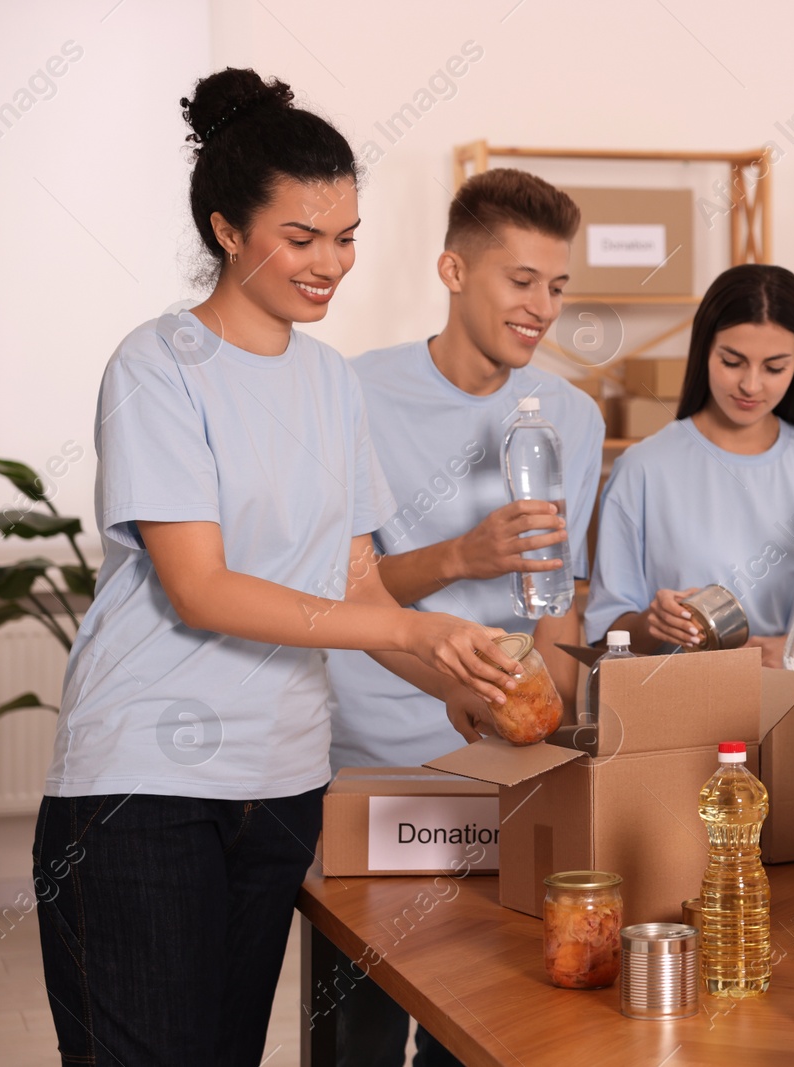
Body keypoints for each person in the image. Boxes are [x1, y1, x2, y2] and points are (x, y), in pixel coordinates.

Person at [34, 69, 519, 1067]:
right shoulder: (159, 363)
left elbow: (354, 586)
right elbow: (202, 587)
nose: (329, 264)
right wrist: (413, 631)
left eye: (345, 237)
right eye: (301, 239)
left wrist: (454, 681)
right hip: (145, 785)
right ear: (226, 229)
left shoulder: (330, 384)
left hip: (282, 779)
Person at [323, 168, 603, 1066]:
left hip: (504, 769)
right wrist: (462, 555)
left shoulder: (574, 415)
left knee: (484, 1032)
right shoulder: (352, 392)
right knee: (357, 1035)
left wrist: (557, 732)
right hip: (372, 763)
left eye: (556, 287)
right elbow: (342, 594)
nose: (542, 307)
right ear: (453, 270)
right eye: (520, 281)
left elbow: (557, 597)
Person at [585, 264, 794, 661]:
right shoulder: (642, 469)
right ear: (704, 351)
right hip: (676, 709)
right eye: (732, 362)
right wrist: (651, 622)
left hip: (793, 706)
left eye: (775, 367)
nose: (751, 385)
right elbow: (604, 634)